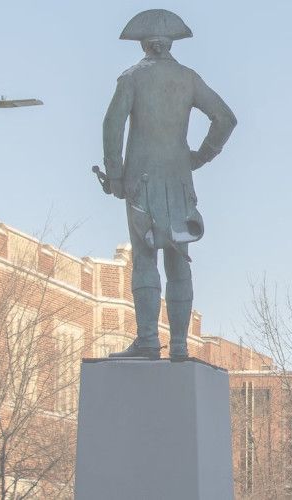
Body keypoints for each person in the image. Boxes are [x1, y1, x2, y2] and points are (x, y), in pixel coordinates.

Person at [100, 9, 236, 359]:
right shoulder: (188, 78)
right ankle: (178, 343)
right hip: (178, 180)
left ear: (144, 45)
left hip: (139, 182)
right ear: (170, 44)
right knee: (179, 257)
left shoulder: (131, 78)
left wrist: (115, 174)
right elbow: (225, 119)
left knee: (145, 258)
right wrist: (201, 156)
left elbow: (112, 126)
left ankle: (147, 339)